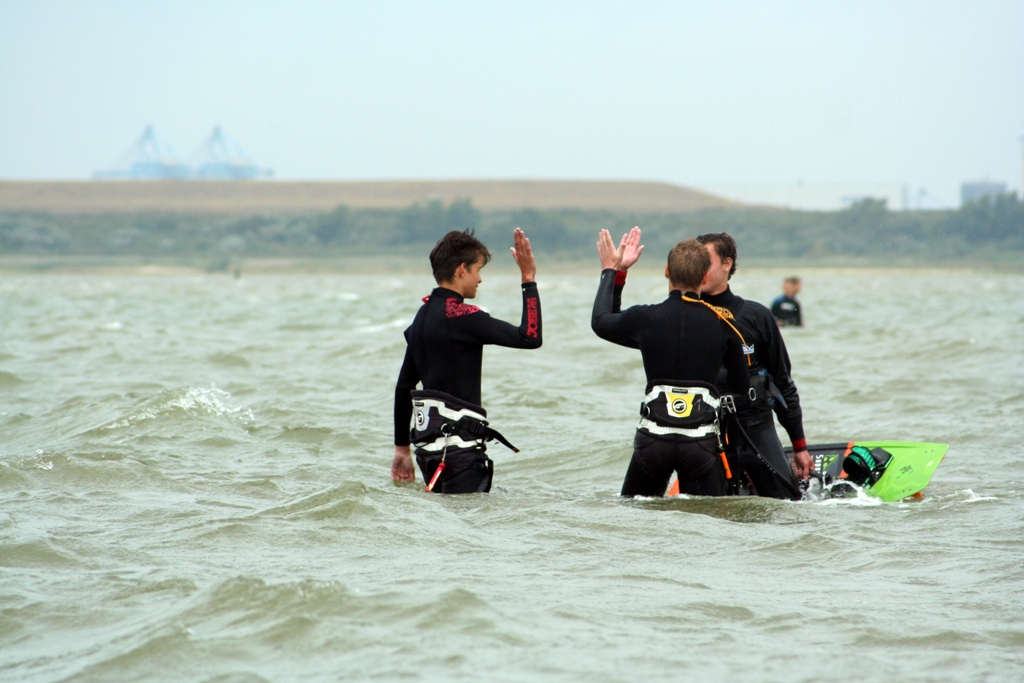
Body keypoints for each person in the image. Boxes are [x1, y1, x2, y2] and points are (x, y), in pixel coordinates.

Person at [592, 227, 750, 498]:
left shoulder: (645, 319)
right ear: (703, 276)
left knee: (633, 518)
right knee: (705, 525)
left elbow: (602, 321)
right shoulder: (724, 322)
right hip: (700, 444)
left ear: (667, 271)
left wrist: (613, 271)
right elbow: (740, 385)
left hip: (653, 441)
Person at [391, 228, 542, 493]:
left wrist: (401, 449)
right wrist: (528, 278)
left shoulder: (420, 319)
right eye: (478, 269)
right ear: (462, 270)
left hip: (429, 457)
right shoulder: (464, 316)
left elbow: (404, 387)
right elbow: (530, 336)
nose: (480, 278)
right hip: (461, 455)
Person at [694, 233, 811, 499]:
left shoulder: (758, 316)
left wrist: (800, 446)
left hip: (756, 427)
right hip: (704, 433)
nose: (699, 268)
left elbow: (783, 383)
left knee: (788, 505)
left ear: (727, 264)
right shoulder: (683, 316)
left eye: (706, 261)